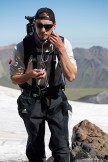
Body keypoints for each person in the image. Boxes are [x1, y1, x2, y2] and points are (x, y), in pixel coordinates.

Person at [10, 7, 77, 162]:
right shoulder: (22, 47)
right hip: (31, 98)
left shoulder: (64, 44)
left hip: (55, 97)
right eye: (39, 25)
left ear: (54, 25)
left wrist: (61, 50)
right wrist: (29, 75)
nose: (43, 30)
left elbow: (71, 76)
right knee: (35, 146)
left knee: (61, 147)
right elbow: (14, 78)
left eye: (47, 26)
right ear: (34, 25)